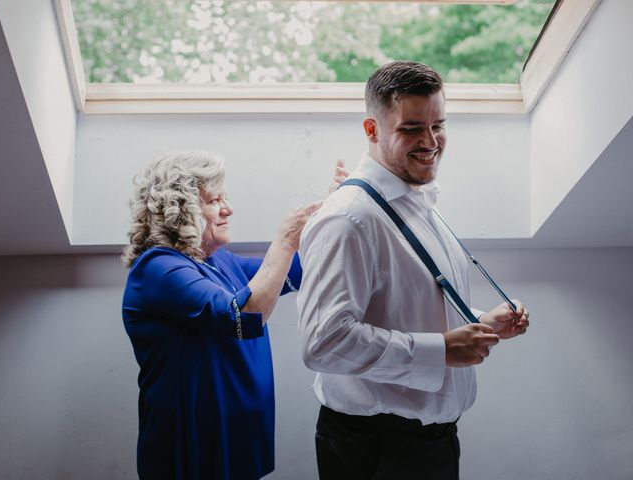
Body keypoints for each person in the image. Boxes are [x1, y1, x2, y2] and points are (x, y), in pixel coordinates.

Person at [297, 61, 530, 479]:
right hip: (376, 449)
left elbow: (406, 309)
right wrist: (440, 350)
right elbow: (324, 342)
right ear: (372, 130)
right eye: (411, 128)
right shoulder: (349, 219)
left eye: (438, 125)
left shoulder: (418, 202)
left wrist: (481, 323)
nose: (430, 141)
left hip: (429, 445)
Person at [121, 150, 335, 480]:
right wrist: (284, 240)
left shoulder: (221, 262)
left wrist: (334, 214)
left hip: (235, 439)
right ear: (181, 212)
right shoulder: (157, 268)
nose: (227, 208)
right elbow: (241, 317)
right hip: (191, 446)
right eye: (213, 200)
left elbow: (297, 271)